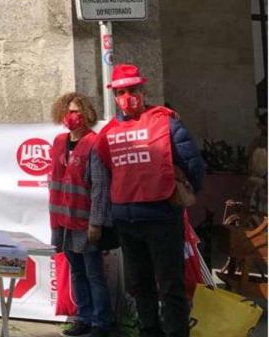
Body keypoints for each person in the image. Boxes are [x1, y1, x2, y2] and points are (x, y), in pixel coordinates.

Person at [96, 63, 205, 337]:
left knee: (170, 285)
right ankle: (149, 331)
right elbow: (109, 170)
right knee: (140, 283)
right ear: (114, 95)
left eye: (132, 90)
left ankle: (174, 332)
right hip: (128, 220)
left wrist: (184, 193)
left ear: (143, 91)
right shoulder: (108, 133)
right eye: (121, 92)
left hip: (160, 217)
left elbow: (193, 164)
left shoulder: (165, 122)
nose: (127, 97)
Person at [48, 92, 113, 337]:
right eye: (68, 111)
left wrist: (96, 222)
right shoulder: (58, 142)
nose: (71, 116)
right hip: (62, 221)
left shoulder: (94, 143)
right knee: (76, 271)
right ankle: (83, 317)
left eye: (76, 111)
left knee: (94, 273)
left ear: (86, 114)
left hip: (85, 221)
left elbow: (100, 186)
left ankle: (101, 322)